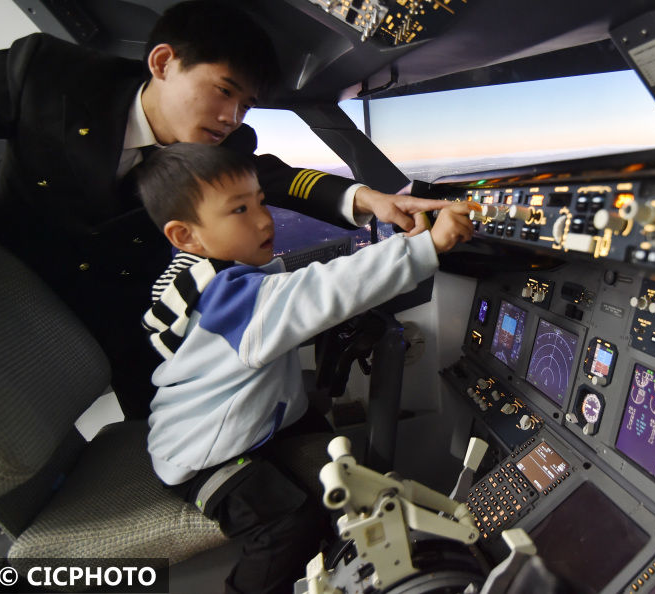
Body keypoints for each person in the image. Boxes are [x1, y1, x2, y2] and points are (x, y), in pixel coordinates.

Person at [0, 0, 447, 419]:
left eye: (246, 105)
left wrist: (370, 199)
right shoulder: (48, 76)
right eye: (224, 91)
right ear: (164, 63)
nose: (233, 118)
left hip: (124, 313)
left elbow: (273, 177)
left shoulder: (226, 145)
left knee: (162, 429)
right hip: (11, 279)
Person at [134, 142, 473, 594]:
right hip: (201, 456)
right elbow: (315, 293)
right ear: (185, 235)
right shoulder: (227, 299)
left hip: (250, 425)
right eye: (239, 210)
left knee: (334, 461)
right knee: (287, 524)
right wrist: (425, 247)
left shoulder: (197, 274)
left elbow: (292, 296)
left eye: (261, 201)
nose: (263, 219)